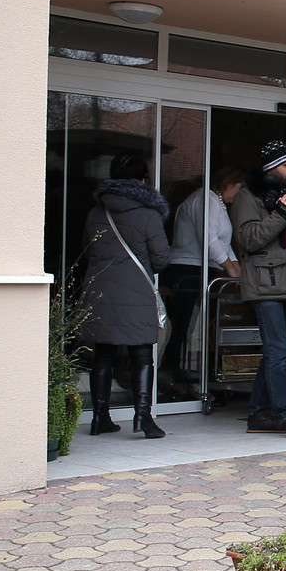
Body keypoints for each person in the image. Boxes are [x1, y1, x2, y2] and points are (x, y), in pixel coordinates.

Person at [230, 140, 286, 437]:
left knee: (278, 351)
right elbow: (248, 238)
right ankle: (285, 413)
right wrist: (281, 214)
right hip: (264, 283)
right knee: (278, 350)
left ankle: (259, 414)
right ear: (271, 168)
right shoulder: (248, 196)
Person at [80, 152, 172, 439]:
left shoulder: (96, 212)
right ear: (143, 180)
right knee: (142, 354)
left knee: (103, 354)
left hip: (99, 290)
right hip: (136, 291)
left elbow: (87, 251)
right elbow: (161, 259)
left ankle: (99, 417)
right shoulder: (149, 214)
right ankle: (143, 418)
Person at [161, 166, 245, 388]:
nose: (238, 195)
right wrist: (231, 268)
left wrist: (236, 268)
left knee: (192, 325)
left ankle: (188, 373)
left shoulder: (216, 202)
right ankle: (177, 372)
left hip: (199, 268)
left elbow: (223, 243)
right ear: (229, 184)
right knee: (185, 325)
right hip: (187, 268)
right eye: (238, 189)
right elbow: (209, 240)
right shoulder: (205, 200)